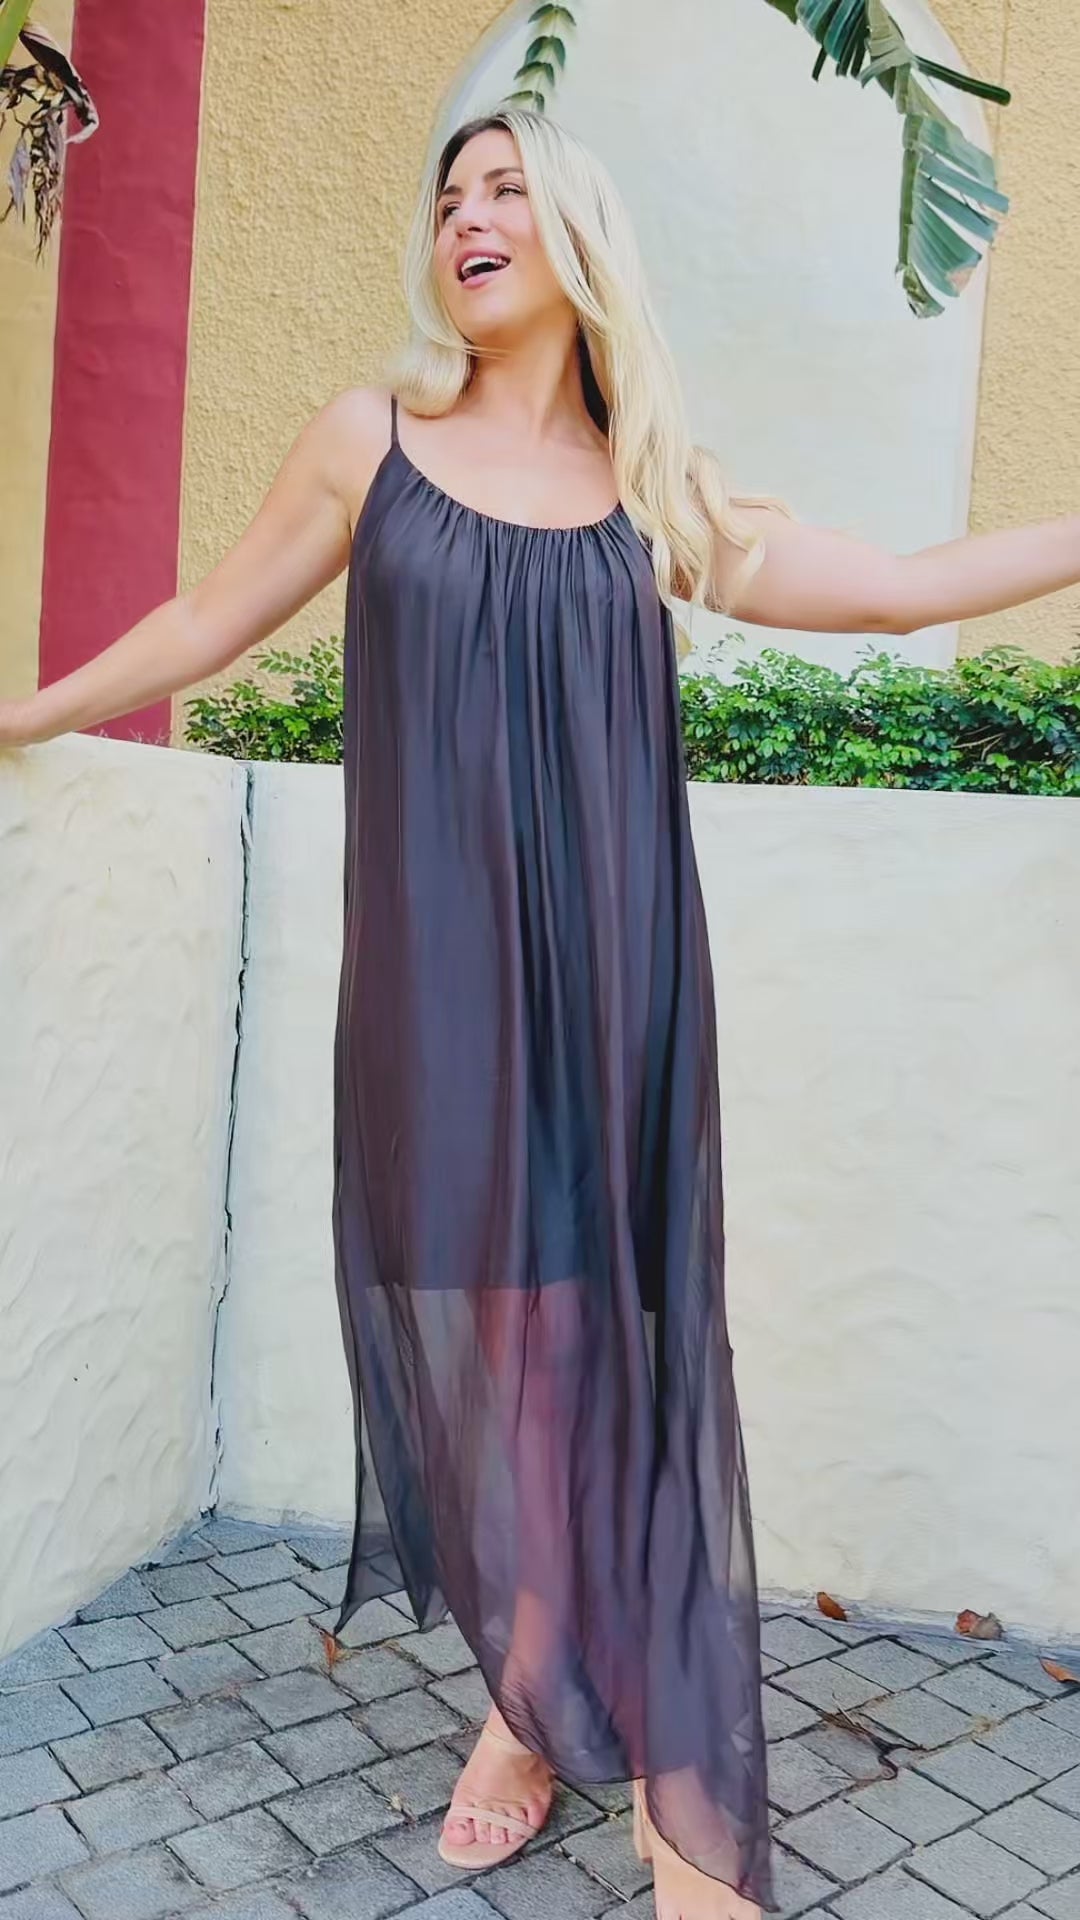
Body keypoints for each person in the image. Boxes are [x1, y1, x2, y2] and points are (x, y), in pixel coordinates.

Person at [3, 106, 1080, 1920]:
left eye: (505, 190)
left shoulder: (653, 487)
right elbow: (204, 619)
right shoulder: (371, 442)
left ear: (579, 240)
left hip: (615, 981)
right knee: (505, 1350)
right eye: (449, 197)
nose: (468, 217)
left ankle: (628, 1770)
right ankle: (528, 1694)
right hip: (439, 987)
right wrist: (25, 717)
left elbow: (897, 596)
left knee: (611, 1355)